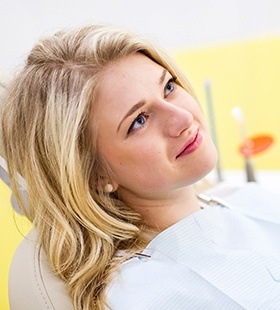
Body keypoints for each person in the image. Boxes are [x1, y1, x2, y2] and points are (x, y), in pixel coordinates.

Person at [1, 24, 280, 310]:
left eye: (168, 87)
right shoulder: (143, 295)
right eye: (139, 120)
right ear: (94, 174)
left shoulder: (244, 200)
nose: (182, 118)